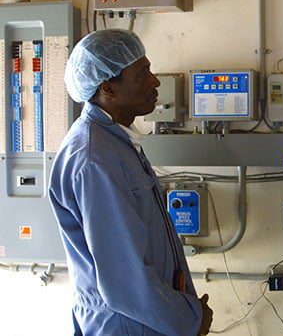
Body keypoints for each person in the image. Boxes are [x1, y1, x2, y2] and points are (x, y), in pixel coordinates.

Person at [48, 29, 212, 336]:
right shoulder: (93, 159)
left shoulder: (116, 143)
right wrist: (189, 320)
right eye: (142, 73)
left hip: (145, 320)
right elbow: (123, 276)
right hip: (126, 325)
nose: (155, 81)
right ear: (108, 87)